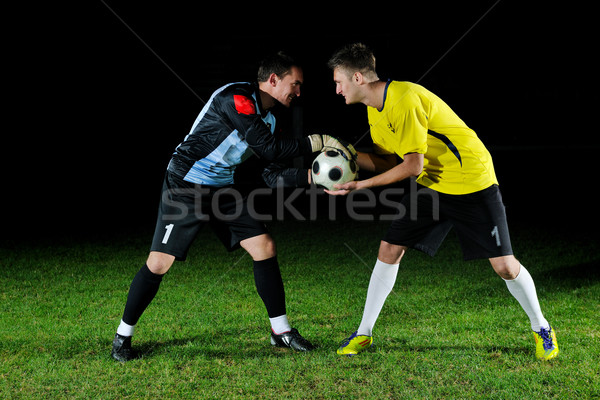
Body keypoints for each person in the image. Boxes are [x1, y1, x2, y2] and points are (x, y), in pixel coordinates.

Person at [111, 52, 352, 361]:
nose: (298, 92)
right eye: (296, 84)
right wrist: (322, 141)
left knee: (264, 246)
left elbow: (270, 171)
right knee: (159, 262)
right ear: (273, 80)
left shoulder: (270, 119)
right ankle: (122, 337)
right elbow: (269, 148)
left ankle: (280, 332)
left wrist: (315, 177)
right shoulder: (236, 97)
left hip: (222, 189)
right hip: (186, 185)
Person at [326, 43, 558, 361]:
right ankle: (364, 333)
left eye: (338, 81)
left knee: (504, 266)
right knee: (389, 249)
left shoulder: (403, 99)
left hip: (471, 181)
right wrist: (346, 158)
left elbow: (411, 166)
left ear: (357, 77)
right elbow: (389, 160)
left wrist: (359, 186)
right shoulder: (373, 109)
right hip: (433, 185)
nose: (336, 89)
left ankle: (541, 327)